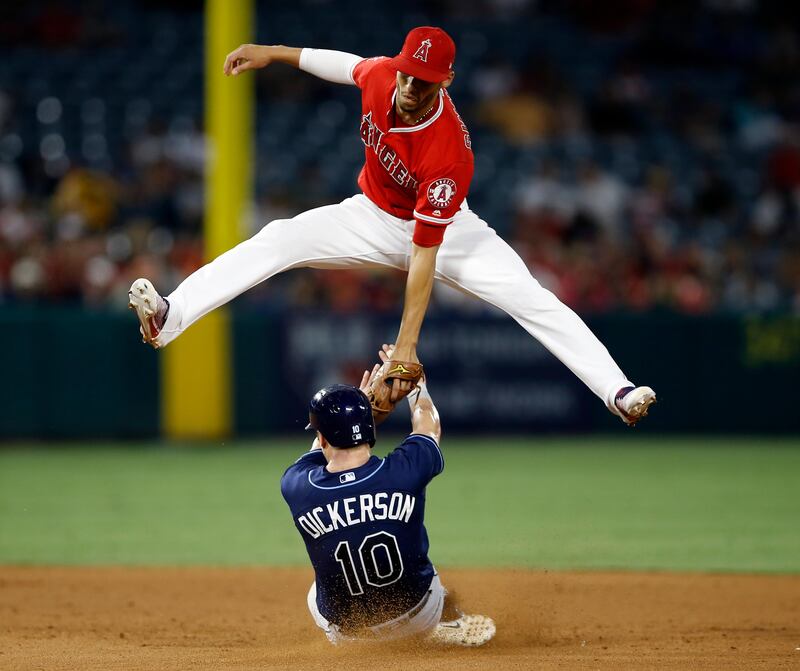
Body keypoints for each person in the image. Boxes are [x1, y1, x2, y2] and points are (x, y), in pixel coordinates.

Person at [128, 26, 655, 424]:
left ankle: (617, 390)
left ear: (445, 81)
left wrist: (406, 346)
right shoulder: (385, 76)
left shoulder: (448, 151)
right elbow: (345, 64)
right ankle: (170, 318)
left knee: (529, 298)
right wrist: (275, 54)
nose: (408, 84)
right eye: (406, 71)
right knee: (279, 238)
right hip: (371, 215)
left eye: (422, 80)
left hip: (449, 236)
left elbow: (423, 255)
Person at [280, 345, 495, 645]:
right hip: (419, 614)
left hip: (351, 638)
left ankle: (398, 637)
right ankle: (444, 622)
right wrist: (417, 384)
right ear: (368, 429)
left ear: (322, 436)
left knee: (315, 592)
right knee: (433, 581)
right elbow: (428, 425)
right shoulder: (405, 470)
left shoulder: (296, 486)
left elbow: (317, 453)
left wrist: (362, 407)